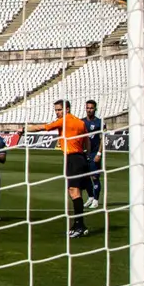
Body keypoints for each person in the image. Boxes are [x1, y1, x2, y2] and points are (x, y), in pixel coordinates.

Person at [39, 100, 91, 239]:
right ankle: (78, 225)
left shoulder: (64, 120)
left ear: (67, 109)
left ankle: (80, 226)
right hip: (80, 157)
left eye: (59, 110)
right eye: (56, 110)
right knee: (72, 191)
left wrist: (25, 129)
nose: (57, 113)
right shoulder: (80, 122)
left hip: (73, 159)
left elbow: (43, 128)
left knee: (74, 192)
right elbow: (87, 142)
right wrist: (86, 156)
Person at [82, 99, 105, 208]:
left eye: (91, 108)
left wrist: (99, 153)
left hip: (95, 153)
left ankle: (96, 200)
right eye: (87, 108)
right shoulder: (82, 122)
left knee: (95, 177)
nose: (89, 110)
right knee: (85, 177)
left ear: (95, 109)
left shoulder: (99, 123)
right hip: (84, 153)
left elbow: (103, 139)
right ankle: (90, 196)